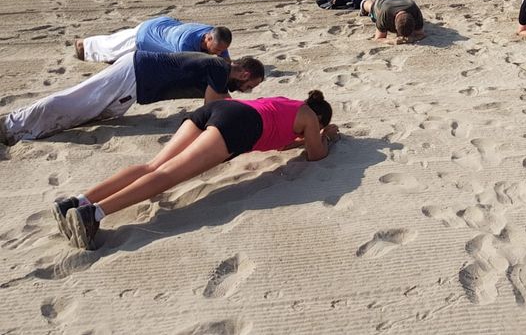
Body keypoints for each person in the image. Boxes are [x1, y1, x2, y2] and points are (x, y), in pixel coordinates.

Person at [50, 90, 339, 249]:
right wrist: (328, 134)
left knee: (154, 165)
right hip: (238, 126)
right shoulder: (310, 118)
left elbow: (282, 140)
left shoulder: (289, 104)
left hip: (222, 110)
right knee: (168, 176)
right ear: (320, 117)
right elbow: (316, 155)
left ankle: (77, 202)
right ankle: (94, 214)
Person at [0, 52, 265, 145]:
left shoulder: (217, 69)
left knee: (90, 112)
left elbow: (222, 99)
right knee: (74, 103)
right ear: (243, 72)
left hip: (136, 78)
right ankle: (11, 124)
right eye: (249, 85)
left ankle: (22, 129)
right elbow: (214, 106)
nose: (248, 90)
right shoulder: (220, 68)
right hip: (135, 74)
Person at [75, 16, 232, 63]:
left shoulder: (214, 33)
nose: (220, 52)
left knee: (115, 43)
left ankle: (87, 43)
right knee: (110, 49)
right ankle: (83, 44)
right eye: (217, 49)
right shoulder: (185, 44)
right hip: (146, 35)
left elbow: (224, 59)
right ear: (208, 38)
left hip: (162, 25)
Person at [359, 0, 425, 44]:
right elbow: (378, 38)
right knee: (372, 8)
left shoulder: (414, 10)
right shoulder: (385, 14)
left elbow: (421, 34)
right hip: (382, 1)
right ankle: (364, 3)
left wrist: (413, 38)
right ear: (394, 25)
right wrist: (392, 41)